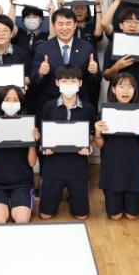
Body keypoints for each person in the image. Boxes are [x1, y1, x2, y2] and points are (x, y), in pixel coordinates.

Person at [38, 65, 96, 220]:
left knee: (81, 215)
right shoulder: (48, 107)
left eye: (73, 81)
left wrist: (88, 145)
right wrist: (44, 146)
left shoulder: (88, 109)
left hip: (77, 162)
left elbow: (91, 134)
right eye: (64, 81)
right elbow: (43, 132)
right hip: (53, 163)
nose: (69, 85)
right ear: (57, 82)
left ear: (80, 83)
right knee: (45, 215)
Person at [94, 73, 139, 220]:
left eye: (130, 87)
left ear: (134, 90)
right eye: (121, 86)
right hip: (112, 169)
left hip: (133, 169)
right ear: (113, 90)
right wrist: (98, 133)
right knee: (115, 216)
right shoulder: (105, 113)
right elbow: (100, 145)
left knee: (132, 216)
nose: (126, 90)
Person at [0, 86, 39, 223]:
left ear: (21, 103)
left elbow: (32, 163)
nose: (11, 103)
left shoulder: (28, 125)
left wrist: (33, 142)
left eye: (15, 100)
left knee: (21, 220)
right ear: (1, 102)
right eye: (7, 99)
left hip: (21, 182)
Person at [30, 8, 101, 113]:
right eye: (60, 24)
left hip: (79, 105)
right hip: (51, 105)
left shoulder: (87, 48)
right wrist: (40, 73)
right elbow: (33, 79)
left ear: (75, 25)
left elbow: (97, 80)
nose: (64, 28)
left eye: (68, 24)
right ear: (54, 26)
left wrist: (94, 72)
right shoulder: (43, 48)